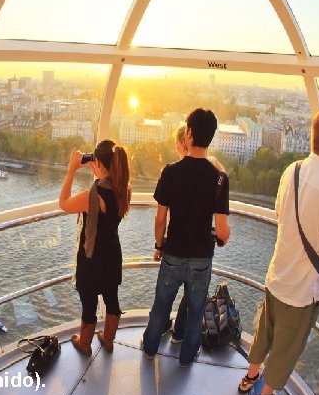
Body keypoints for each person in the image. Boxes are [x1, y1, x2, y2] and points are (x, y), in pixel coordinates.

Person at [239, 108, 319, 395]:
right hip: (303, 291)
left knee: (264, 333)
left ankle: (249, 377)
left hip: (277, 275)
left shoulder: (292, 170)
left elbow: (278, 212)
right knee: (286, 350)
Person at [141, 108, 230, 367]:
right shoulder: (219, 179)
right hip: (201, 258)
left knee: (161, 307)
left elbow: (160, 219)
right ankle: (187, 356)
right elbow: (222, 231)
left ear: (188, 134)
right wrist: (222, 238)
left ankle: (150, 348)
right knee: (194, 312)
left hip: (173, 253)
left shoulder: (170, 172)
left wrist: (159, 245)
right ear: (210, 137)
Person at [59, 139, 131, 355]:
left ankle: (85, 343)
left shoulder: (93, 196)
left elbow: (63, 203)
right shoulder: (124, 189)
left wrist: (71, 170)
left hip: (91, 258)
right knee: (112, 298)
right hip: (112, 253)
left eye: (93, 161)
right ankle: (108, 339)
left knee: (89, 303)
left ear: (98, 162)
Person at [169, 124, 227, 344]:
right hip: (200, 244)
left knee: (167, 291)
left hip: (177, 243)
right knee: (193, 292)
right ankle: (181, 334)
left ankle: (168, 330)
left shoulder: (174, 171)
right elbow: (223, 180)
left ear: (184, 142)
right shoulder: (211, 167)